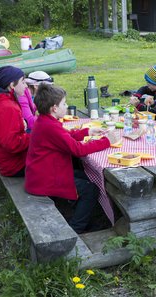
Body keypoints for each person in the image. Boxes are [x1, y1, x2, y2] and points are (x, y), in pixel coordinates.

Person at [24, 84, 120, 234]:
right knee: (91, 189)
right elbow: (78, 150)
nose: (66, 106)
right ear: (54, 108)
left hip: (44, 173)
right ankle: (76, 229)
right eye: (64, 103)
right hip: (45, 179)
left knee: (89, 176)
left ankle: (83, 214)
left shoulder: (45, 121)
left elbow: (65, 137)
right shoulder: (50, 126)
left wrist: (88, 131)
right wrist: (106, 141)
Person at [0, 66, 30, 177]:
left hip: (10, 160)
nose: (26, 86)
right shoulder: (6, 107)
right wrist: (35, 136)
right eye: (23, 82)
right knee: (56, 155)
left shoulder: (5, 100)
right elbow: (12, 144)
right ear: (12, 85)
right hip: (14, 165)